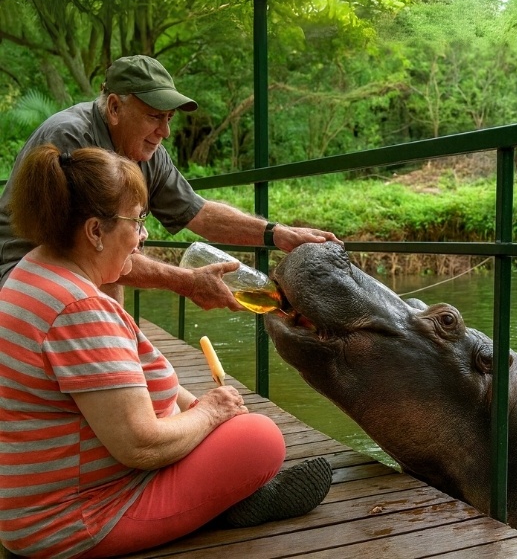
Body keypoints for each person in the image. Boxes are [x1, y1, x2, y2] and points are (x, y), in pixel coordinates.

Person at [0, 144, 333, 558]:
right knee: (260, 440)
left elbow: (116, 380)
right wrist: (211, 413)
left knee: (230, 435)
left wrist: (196, 408)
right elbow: (139, 444)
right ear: (94, 232)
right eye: (137, 221)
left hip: (41, 502)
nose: (143, 236)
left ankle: (226, 499)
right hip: (77, 518)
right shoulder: (77, 310)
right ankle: (226, 506)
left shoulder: (35, 270)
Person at [0, 54, 342, 309]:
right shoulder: (71, 137)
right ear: (116, 108)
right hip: (22, 277)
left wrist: (277, 234)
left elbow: (201, 214)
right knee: (111, 261)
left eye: (168, 119)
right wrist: (187, 282)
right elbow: (93, 248)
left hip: (82, 274)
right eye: (154, 117)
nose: (163, 132)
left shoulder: (146, 151)